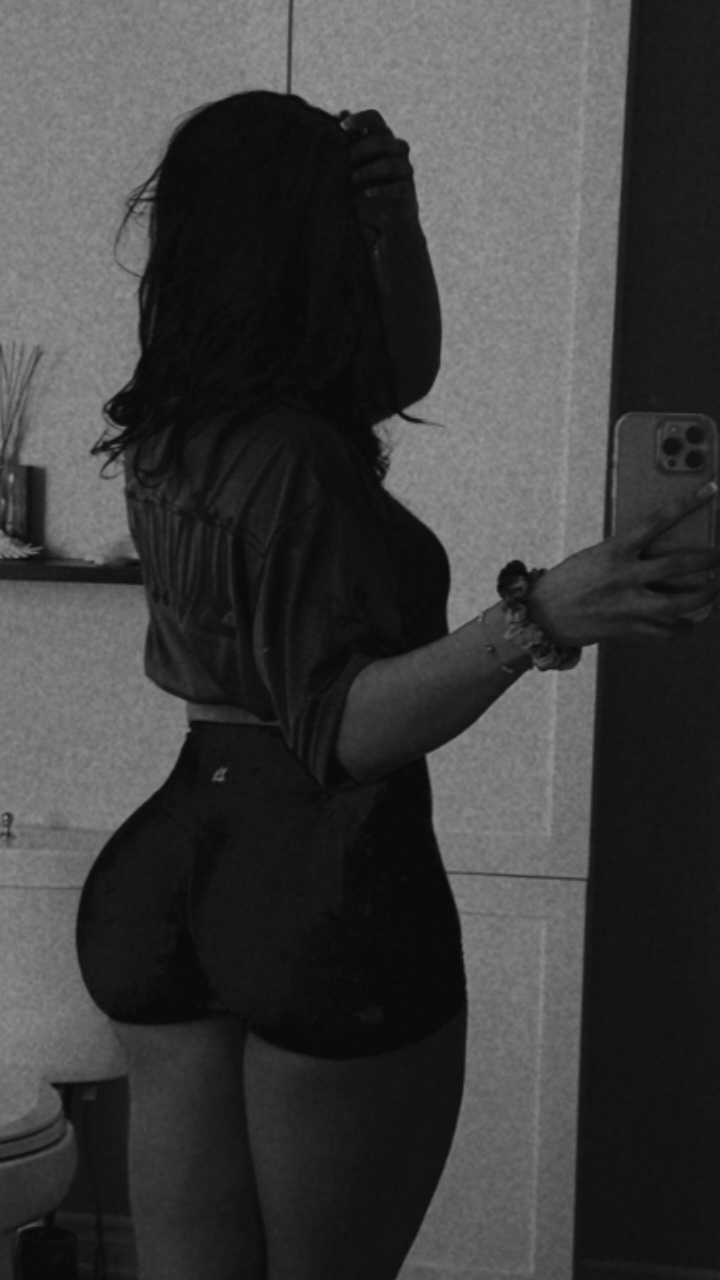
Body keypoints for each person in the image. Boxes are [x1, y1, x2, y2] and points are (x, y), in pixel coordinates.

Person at [75, 91, 720, 1280]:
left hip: (171, 867)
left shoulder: (176, 422)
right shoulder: (295, 459)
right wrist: (540, 615)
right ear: (307, 242)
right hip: (317, 885)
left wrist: (398, 222)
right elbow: (339, 732)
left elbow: (392, 367)